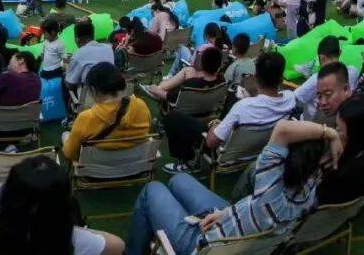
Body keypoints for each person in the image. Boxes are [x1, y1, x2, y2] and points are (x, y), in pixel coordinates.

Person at [125, 118, 332, 255]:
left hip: (200, 245)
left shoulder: (269, 184)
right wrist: (224, 214)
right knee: (179, 180)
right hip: (234, 226)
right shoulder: (310, 190)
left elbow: (282, 129)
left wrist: (329, 133)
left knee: (152, 189)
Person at [0, 156, 125, 255]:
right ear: (63, 210)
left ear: (6, 198)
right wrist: (70, 227)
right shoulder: (79, 242)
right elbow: (118, 245)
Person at [162, 52, 295, 172]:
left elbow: (211, 142)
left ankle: (188, 161)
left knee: (173, 118)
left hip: (224, 151)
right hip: (259, 148)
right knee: (231, 98)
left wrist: (214, 125)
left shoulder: (243, 107)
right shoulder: (290, 99)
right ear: (281, 78)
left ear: (255, 77)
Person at [61, 62, 151, 162]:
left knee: (65, 135)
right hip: (134, 166)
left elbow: (70, 153)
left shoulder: (86, 118)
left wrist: (66, 138)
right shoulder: (141, 106)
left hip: (97, 169)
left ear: (94, 90)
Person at [315, 93, 364, 205]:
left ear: (354, 133)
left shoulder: (345, 175)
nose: (334, 132)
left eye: (338, 128)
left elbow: (317, 199)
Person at [293, 36, 360, 119]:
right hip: (343, 119)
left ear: (322, 57)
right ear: (340, 53)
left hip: (315, 122)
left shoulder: (317, 79)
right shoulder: (353, 71)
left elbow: (294, 98)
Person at [143, 47, 224, 109]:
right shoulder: (222, 81)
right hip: (206, 111)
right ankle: (162, 86)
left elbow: (168, 96)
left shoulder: (191, 84)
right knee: (189, 70)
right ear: (220, 65)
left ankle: (160, 87)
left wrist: (154, 89)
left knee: (161, 87)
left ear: (202, 64)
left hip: (184, 114)